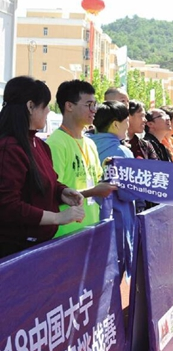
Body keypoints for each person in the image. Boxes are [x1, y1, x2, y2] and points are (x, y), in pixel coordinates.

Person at [0, 76, 84, 258]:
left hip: (38, 248)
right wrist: (57, 217)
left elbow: (44, 181)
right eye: (45, 106)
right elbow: (7, 206)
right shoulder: (9, 148)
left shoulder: (39, 144)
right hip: (15, 253)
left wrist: (61, 192)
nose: (48, 111)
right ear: (30, 106)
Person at [46, 80, 117, 237]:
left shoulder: (90, 143)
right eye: (89, 105)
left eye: (95, 104)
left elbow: (97, 180)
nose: (94, 110)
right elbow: (52, 194)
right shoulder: (56, 143)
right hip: (65, 233)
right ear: (69, 106)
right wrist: (93, 191)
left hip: (90, 228)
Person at [88, 101, 137, 275]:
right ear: (116, 124)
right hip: (117, 221)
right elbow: (130, 192)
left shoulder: (86, 145)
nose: (128, 127)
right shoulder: (122, 152)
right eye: (126, 122)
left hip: (88, 218)